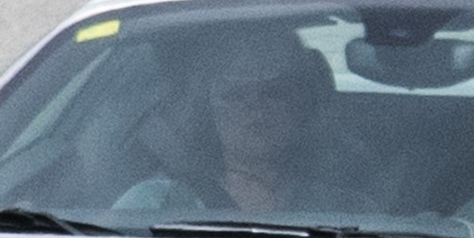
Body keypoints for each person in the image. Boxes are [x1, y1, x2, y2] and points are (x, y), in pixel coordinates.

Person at [115, 27, 366, 214]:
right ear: (207, 111)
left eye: (273, 92)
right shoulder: (154, 203)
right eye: (234, 95)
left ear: (302, 106)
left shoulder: (349, 209)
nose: (255, 108)